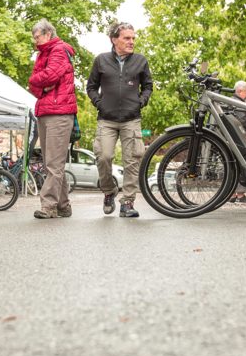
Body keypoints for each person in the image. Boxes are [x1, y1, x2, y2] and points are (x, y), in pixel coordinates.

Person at [86, 21, 153, 218]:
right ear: (114, 40)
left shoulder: (140, 61)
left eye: (133, 38)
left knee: (132, 161)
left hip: (131, 119)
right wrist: (99, 103)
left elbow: (148, 86)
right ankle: (109, 191)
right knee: (104, 156)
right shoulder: (101, 60)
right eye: (127, 38)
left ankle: (128, 203)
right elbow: (91, 87)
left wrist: (141, 101)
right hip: (106, 119)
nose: (131, 41)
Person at [27, 19, 77, 219]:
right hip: (46, 110)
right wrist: (38, 83)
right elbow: (35, 84)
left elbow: (49, 76)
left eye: (37, 37)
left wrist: (38, 81)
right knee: (53, 162)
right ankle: (64, 205)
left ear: (47, 33)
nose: (35, 41)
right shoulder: (43, 54)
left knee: (53, 164)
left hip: (59, 112)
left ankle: (48, 205)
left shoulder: (58, 49)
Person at [229, 80, 246, 203]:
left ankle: (232, 195)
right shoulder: (238, 103)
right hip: (240, 141)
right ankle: (240, 195)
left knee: (233, 167)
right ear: (239, 91)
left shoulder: (231, 102)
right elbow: (242, 122)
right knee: (241, 167)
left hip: (233, 140)